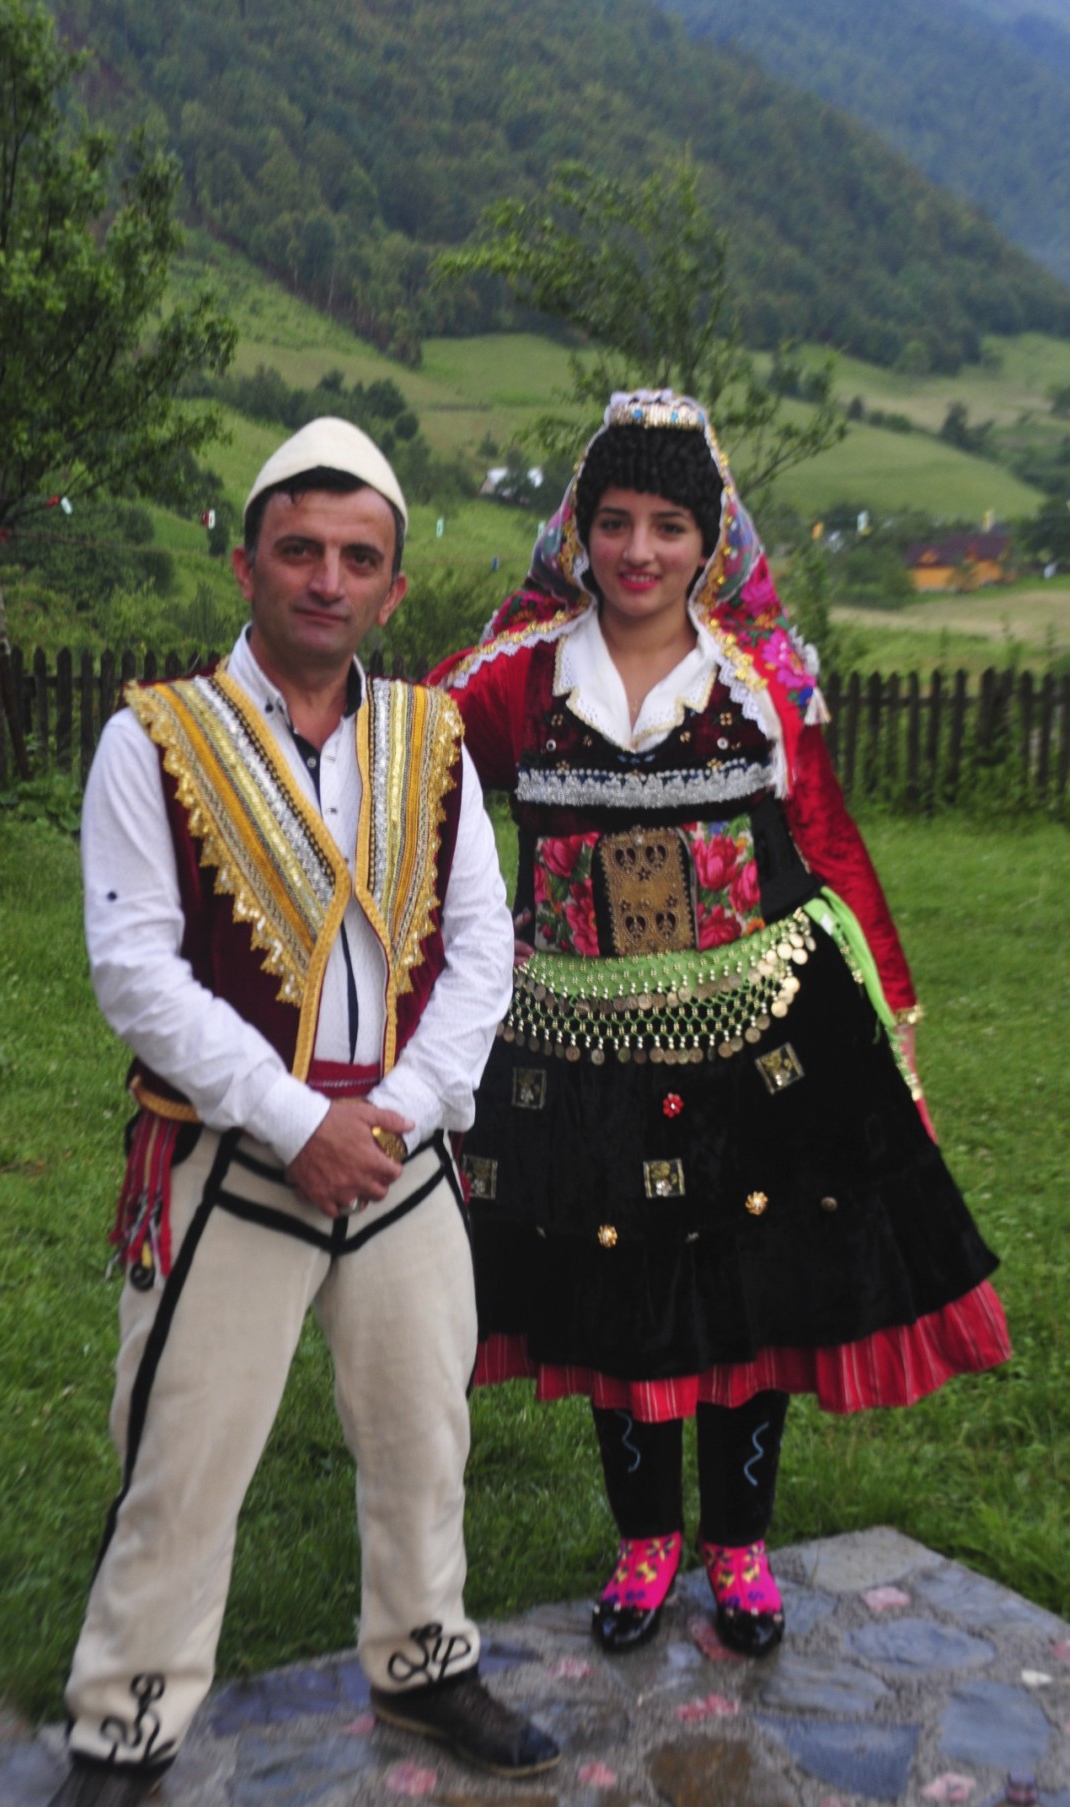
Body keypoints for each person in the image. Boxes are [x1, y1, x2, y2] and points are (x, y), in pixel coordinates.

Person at [431, 389, 1010, 1662]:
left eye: (669, 526)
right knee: (614, 1282)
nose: (639, 552)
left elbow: (829, 844)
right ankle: (645, 1541)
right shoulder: (512, 682)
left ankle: (737, 1544)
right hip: (576, 1044)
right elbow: (409, 793)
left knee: (749, 1288)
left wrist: (895, 1016)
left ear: (713, 539)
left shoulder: (764, 682)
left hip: (759, 1036)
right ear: (577, 532)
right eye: (615, 522)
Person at [48, 418, 558, 1807]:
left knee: (423, 1434)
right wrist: (296, 1119)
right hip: (230, 1159)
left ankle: (425, 1660)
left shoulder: (432, 738)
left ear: (393, 588)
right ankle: (127, 1722)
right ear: (247, 564)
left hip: (399, 1155)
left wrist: (396, 1111)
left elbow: (483, 947)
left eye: (358, 558)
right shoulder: (153, 738)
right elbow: (136, 969)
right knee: (182, 1453)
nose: (327, 580)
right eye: (299, 550)